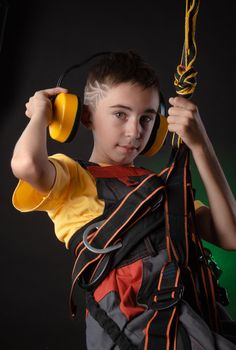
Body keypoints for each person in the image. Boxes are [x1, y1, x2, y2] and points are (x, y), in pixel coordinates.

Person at [11, 51, 236, 349]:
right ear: (87, 116)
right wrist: (42, 112)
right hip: (132, 325)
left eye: (147, 118)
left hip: (194, 316)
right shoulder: (72, 176)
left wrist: (200, 144)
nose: (135, 131)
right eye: (120, 114)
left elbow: (230, 235)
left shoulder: (161, 187)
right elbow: (26, 165)